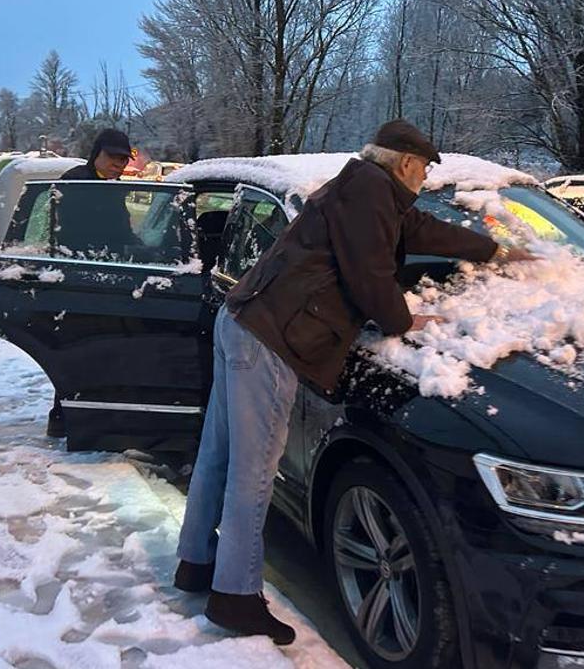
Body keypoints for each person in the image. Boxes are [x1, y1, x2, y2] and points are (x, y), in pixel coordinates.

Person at [174, 120, 533, 644]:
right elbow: (370, 275)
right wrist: (403, 321)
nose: (425, 177)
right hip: (271, 338)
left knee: (219, 454)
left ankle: (195, 563)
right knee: (254, 471)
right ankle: (235, 596)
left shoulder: (366, 191)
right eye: (424, 168)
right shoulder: (369, 195)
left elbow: (423, 232)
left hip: (244, 321)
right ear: (407, 164)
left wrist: (491, 250)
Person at [47, 129, 135, 439]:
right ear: (97, 152)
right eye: (113, 157)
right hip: (79, 280)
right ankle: (64, 419)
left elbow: (120, 231)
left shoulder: (112, 186)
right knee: (76, 353)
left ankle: (89, 415)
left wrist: (140, 248)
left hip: (105, 279)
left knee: (99, 352)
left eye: (124, 159)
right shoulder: (78, 182)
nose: (119, 164)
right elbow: (70, 233)